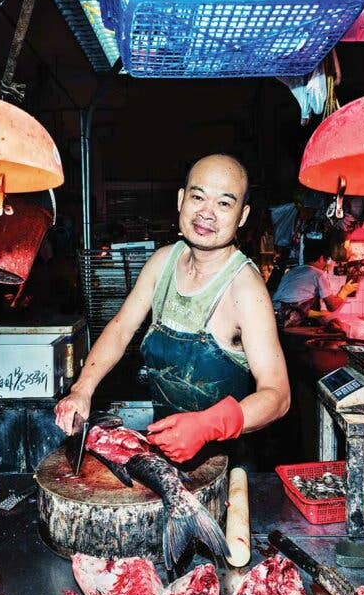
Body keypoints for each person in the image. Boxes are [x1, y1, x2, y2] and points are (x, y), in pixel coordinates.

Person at [55, 154, 291, 464]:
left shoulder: (246, 289)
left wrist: (208, 426)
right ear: (181, 200)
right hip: (162, 452)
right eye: (197, 197)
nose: (206, 213)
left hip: (225, 462)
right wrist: (82, 389)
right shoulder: (161, 262)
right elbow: (120, 329)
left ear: (242, 215)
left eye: (224, 204)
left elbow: (278, 395)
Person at [271, 235, 358, 328]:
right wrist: (344, 292)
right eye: (326, 260)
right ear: (321, 258)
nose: (326, 265)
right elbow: (332, 306)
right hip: (285, 320)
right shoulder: (318, 274)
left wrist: (319, 314)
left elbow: (293, 303)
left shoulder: (292, 271)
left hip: (272, 315)